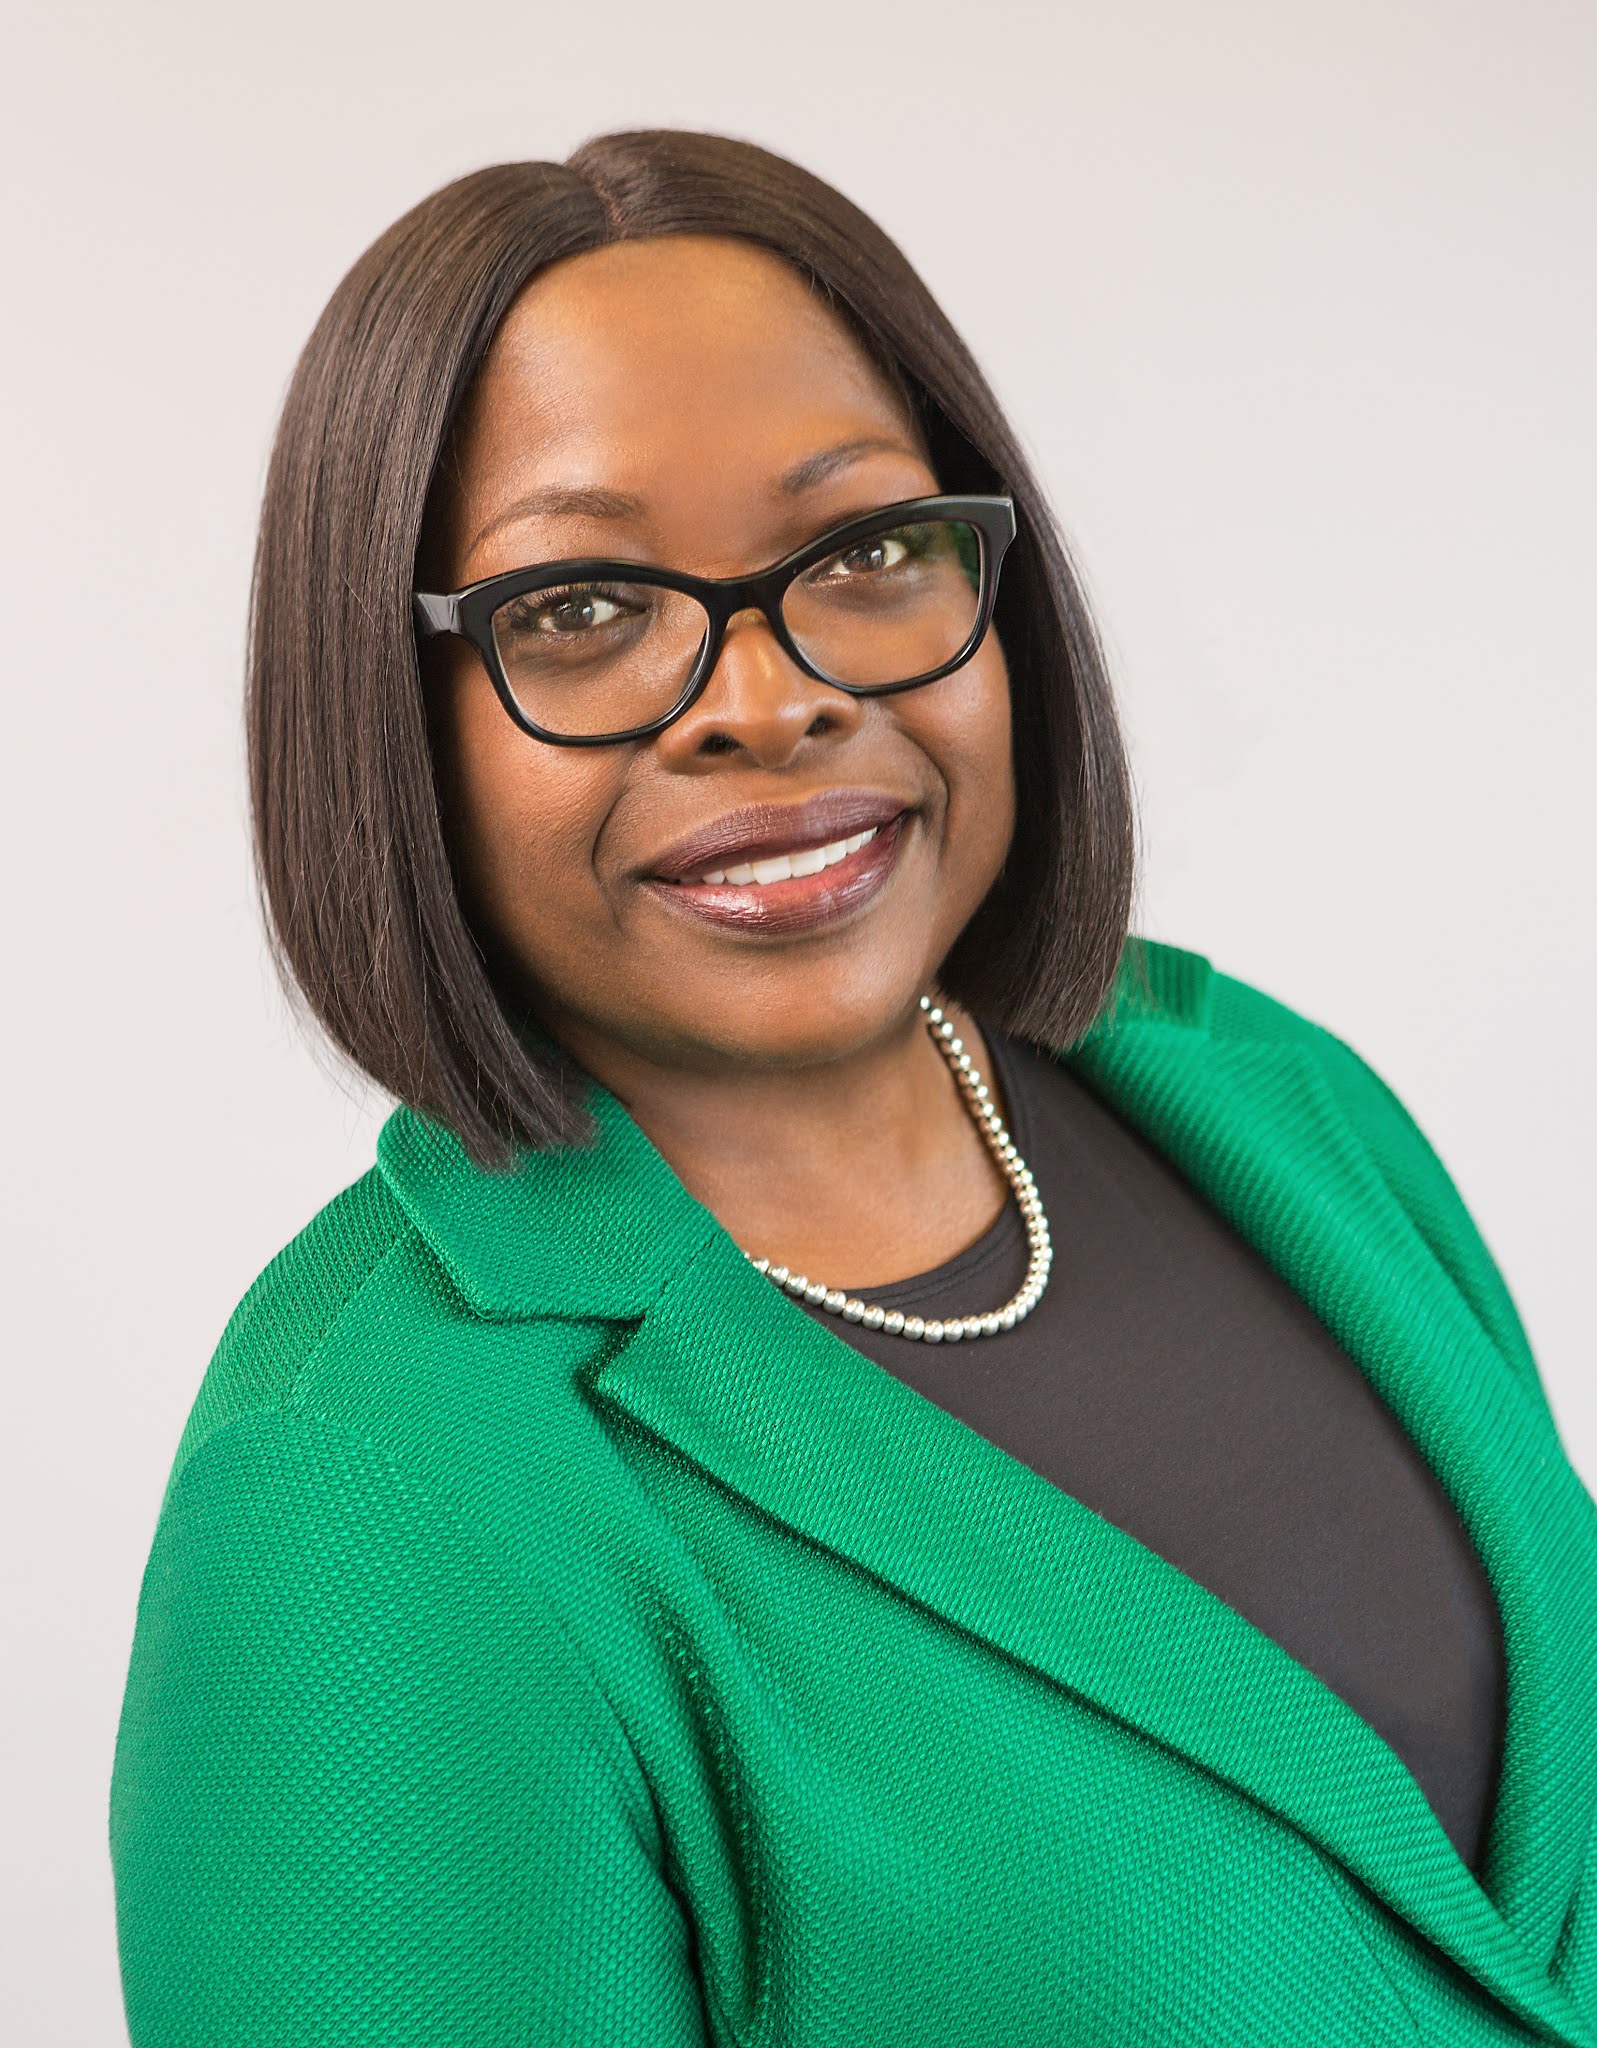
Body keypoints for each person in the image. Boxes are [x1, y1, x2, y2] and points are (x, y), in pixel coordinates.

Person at [108, 130, 1597, 2047]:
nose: (768, 699)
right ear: (389, 722)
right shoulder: (363, 1494)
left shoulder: (1270, 1102)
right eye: (579, 608)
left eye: (868, 549)